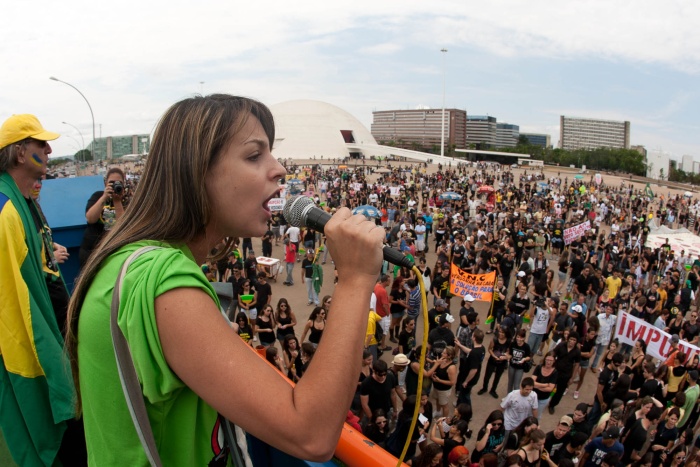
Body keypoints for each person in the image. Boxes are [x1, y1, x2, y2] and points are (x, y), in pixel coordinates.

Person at [64, 95, 387, 464]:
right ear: (197, 171)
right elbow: (311, 434)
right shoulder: (164, 279)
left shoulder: (139, 263)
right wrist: (356, 280)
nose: (279, 168)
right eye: (254, 155)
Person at [0, 114, 86, 465]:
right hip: (33, 357)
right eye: (41, 144)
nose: (49, 150)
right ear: (20, 153)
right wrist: (53, 367)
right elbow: (14, 307)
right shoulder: (7, 212)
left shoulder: (23, 203)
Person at [79, 167, 126, 267]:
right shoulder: (97, 196)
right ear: (105, 183)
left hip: (112, 251)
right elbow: (90, 219)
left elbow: (123, 226)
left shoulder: (126, 202)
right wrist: (104, 197)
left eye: (119, 183)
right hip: (91, 251)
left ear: (123, 184)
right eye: (111, 182)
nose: (115, 185)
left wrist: (117, 201)